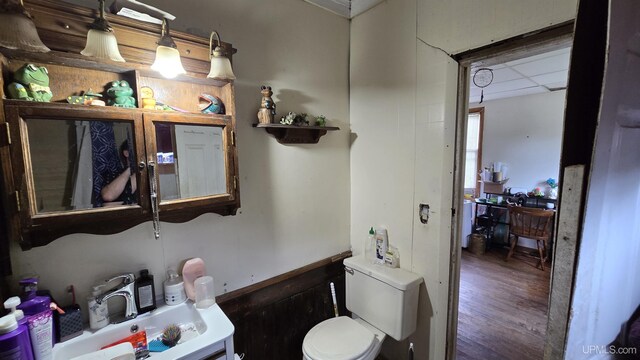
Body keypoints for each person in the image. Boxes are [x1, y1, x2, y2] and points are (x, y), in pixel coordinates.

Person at [100, 140, 137, 205]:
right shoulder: (114, 175)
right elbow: (107, 195)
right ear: (126, 153)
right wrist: (130, 169)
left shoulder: (150, 173)